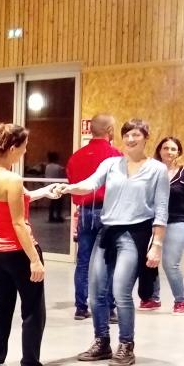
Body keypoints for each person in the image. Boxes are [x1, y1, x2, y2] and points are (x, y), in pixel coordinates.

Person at [58, 119, 169, 366]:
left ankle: (126, 345)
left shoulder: (157, 170)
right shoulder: (111, 164)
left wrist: (157, 245)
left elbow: (161, 209)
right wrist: (67, 188)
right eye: (127, 134)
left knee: (120, 290)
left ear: (146, 137)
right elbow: (90, 184)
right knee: (96, 291)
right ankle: (102, 342)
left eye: (136, 134)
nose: (130, 139)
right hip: (107, 232)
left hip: (134, 234)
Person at [0, 123, 61, 366]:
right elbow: (18, 223)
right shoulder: (12, 180)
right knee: (34, 310)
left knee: (1, 306)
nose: (25, 152)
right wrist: (34, 260)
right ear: (13, 147)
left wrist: (45, 192)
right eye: (24, 147)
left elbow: (14, 201)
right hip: (18, 252)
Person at [66, 114, 122, 320]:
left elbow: (73, 185)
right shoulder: (116, 156)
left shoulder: (76, 156)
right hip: (109, 212)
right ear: (109, 130)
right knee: (109, 260)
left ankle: (81, 307)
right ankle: (109, 308)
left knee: (83, 261)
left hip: (85, 212)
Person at [137, 136, 184, 314]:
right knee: (150, 261)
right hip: (154, 223)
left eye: (173, 149)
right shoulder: (152, 172)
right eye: (165, 148)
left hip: (177, 223)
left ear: (178, 152)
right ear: (159, 150)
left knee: (171, 264)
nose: (169, 152)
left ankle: (180, 301)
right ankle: (153, 298)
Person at [44, 152, 67, 222]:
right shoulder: (58, 167)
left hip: (48, 185)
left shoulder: (47, 166)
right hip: (56, 186)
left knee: (52, 202)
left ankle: (51, 216)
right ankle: (58, 216)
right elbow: (61, 176)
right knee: (59, 202)